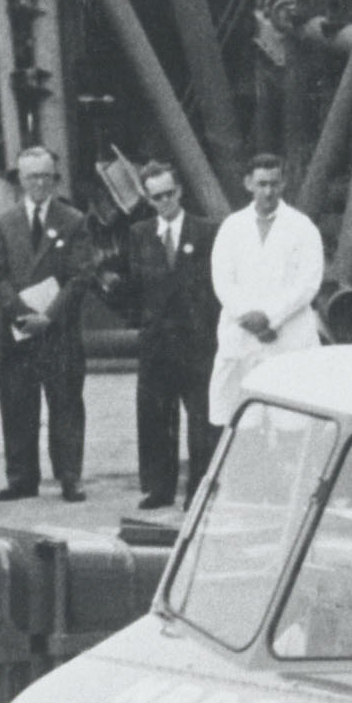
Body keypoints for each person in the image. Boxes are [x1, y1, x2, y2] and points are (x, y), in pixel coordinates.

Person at [102, 162, 219, 511]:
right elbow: (132, 286)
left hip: (197, 342)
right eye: (157, 197)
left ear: (179, 191)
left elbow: (215, 287)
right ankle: (159, 488)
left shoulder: (207, 231)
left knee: (201, 422)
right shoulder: (139, 234)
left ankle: (199, 490)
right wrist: (112, 288)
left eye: (169, 194)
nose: (164, 201)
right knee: (156, 418)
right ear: (148, 199)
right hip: (156, 343)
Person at [0, 146, 96, 503]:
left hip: (58, 331)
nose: (40, 183)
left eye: (47, 176)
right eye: (33, 177)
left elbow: (80, 276)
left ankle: (69, 476)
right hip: (17, 332)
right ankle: (21, 478)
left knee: (66, 404)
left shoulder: (73, 220)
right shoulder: (4, 222)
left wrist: (48, 316)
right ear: (20, 179)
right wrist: (19, 314)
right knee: (17, 405)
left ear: (54, 178)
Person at [208, 154, 326, 428]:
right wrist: (248, 317)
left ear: (283, 183)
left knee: (292, 422)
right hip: (242, 335)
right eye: (262, 184)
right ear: (248, 184)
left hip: (288, 336)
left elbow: (308, 283)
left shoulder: (302, 227)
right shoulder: (232, 226)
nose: (268, 192)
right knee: (243, 424)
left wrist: (270, 319)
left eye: (274, 184)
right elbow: (222, 280)